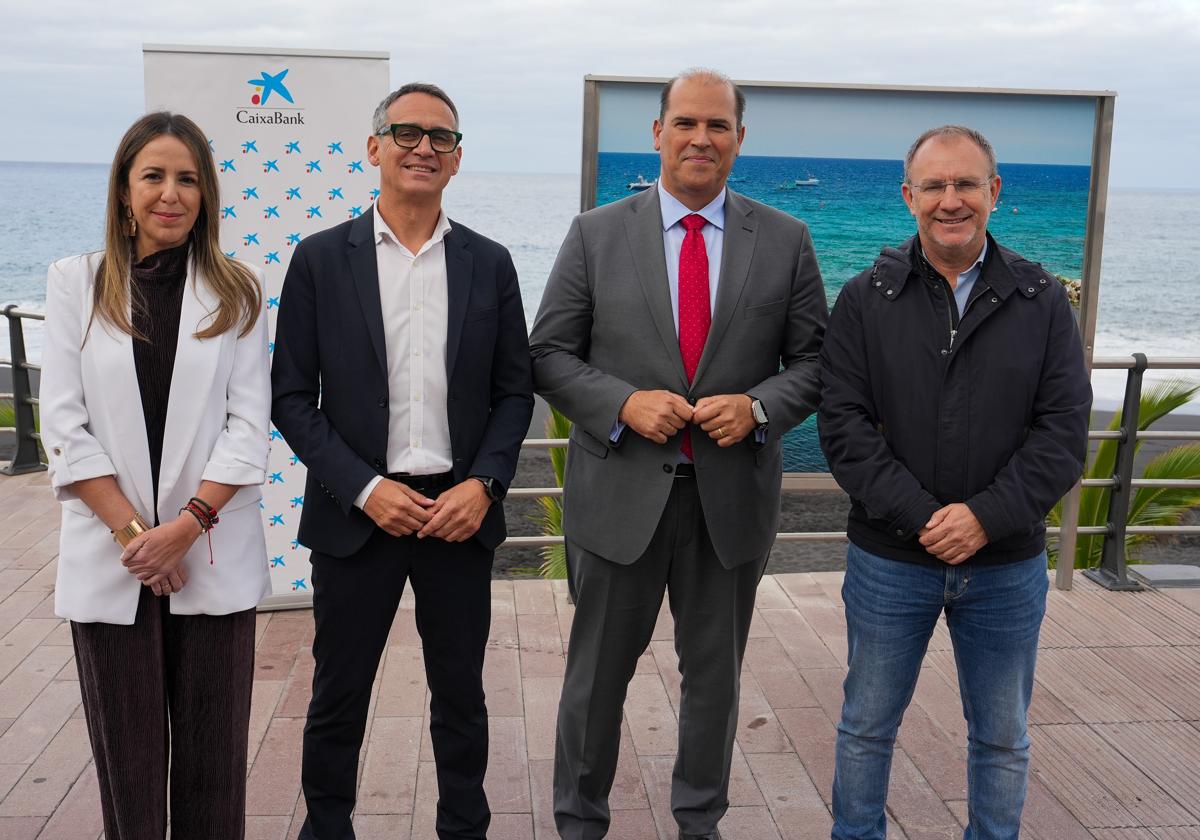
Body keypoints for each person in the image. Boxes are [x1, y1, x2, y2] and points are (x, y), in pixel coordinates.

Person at [530, 68, 827, 840]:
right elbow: (549, 354)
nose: (702, 138)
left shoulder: (787, 240)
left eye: (718, 126)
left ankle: (701, 822)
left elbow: (817, 364)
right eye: (686, 123)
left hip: (729, 505)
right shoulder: (596, 233)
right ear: (657, 133)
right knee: (595, 681)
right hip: (620, 497)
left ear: (739, 139)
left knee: (714, 684)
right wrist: (622, 403)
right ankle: (578, 823)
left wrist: (759, 407)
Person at [271, 82, 534, 840]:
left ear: (457, 161)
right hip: (359, 518)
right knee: (336, 695)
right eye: (407, 132)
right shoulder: (320, 260)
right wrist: (362, 487)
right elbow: (291, 397)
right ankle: (326, 828)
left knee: (461, 696)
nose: (424, 146)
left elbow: (515, 393)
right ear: (374, 147)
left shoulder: (491, 263)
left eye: (441, 137)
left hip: (459, 516)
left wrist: (484, 486)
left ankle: (464, 828)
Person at [818, 125, 1092, 840]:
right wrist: (926, 518)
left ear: (994, 193)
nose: (950, 200)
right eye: (934, 186)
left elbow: (1062, 436)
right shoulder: (863, 299)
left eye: (966, 184)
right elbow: (843, 429)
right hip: (888, 559)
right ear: (909, 196)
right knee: (866, 727)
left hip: (1005, 564)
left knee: (1002, 738)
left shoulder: (1042, 302)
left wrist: (983, 519)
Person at [39, 111, 271, 839]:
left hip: (208, 552)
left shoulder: (237, 290)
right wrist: (139, 538)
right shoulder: (76, 282)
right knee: (129, 778)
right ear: (122, 190)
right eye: (154, 176)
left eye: (188, 179)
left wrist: (183, 531)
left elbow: (246, 425)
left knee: (213, 769)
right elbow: (64, 427)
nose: (170, 194)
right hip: (115, 561)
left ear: (205, 196)